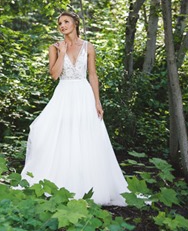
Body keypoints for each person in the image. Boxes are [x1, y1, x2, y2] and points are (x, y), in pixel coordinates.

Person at [19, 11, 129, 206]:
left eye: (66, 21)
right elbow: (54, 75)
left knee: (86, 137)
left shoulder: (88, 47)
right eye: (60, 23)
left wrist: (97, 101)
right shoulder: (54, 47)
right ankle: (59, 185)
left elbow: (92, 75)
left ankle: (88, 186)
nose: (62, 25)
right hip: (63, 94)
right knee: (57, 135)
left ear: (76, 23)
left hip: (83, 94)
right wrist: (61, 53)